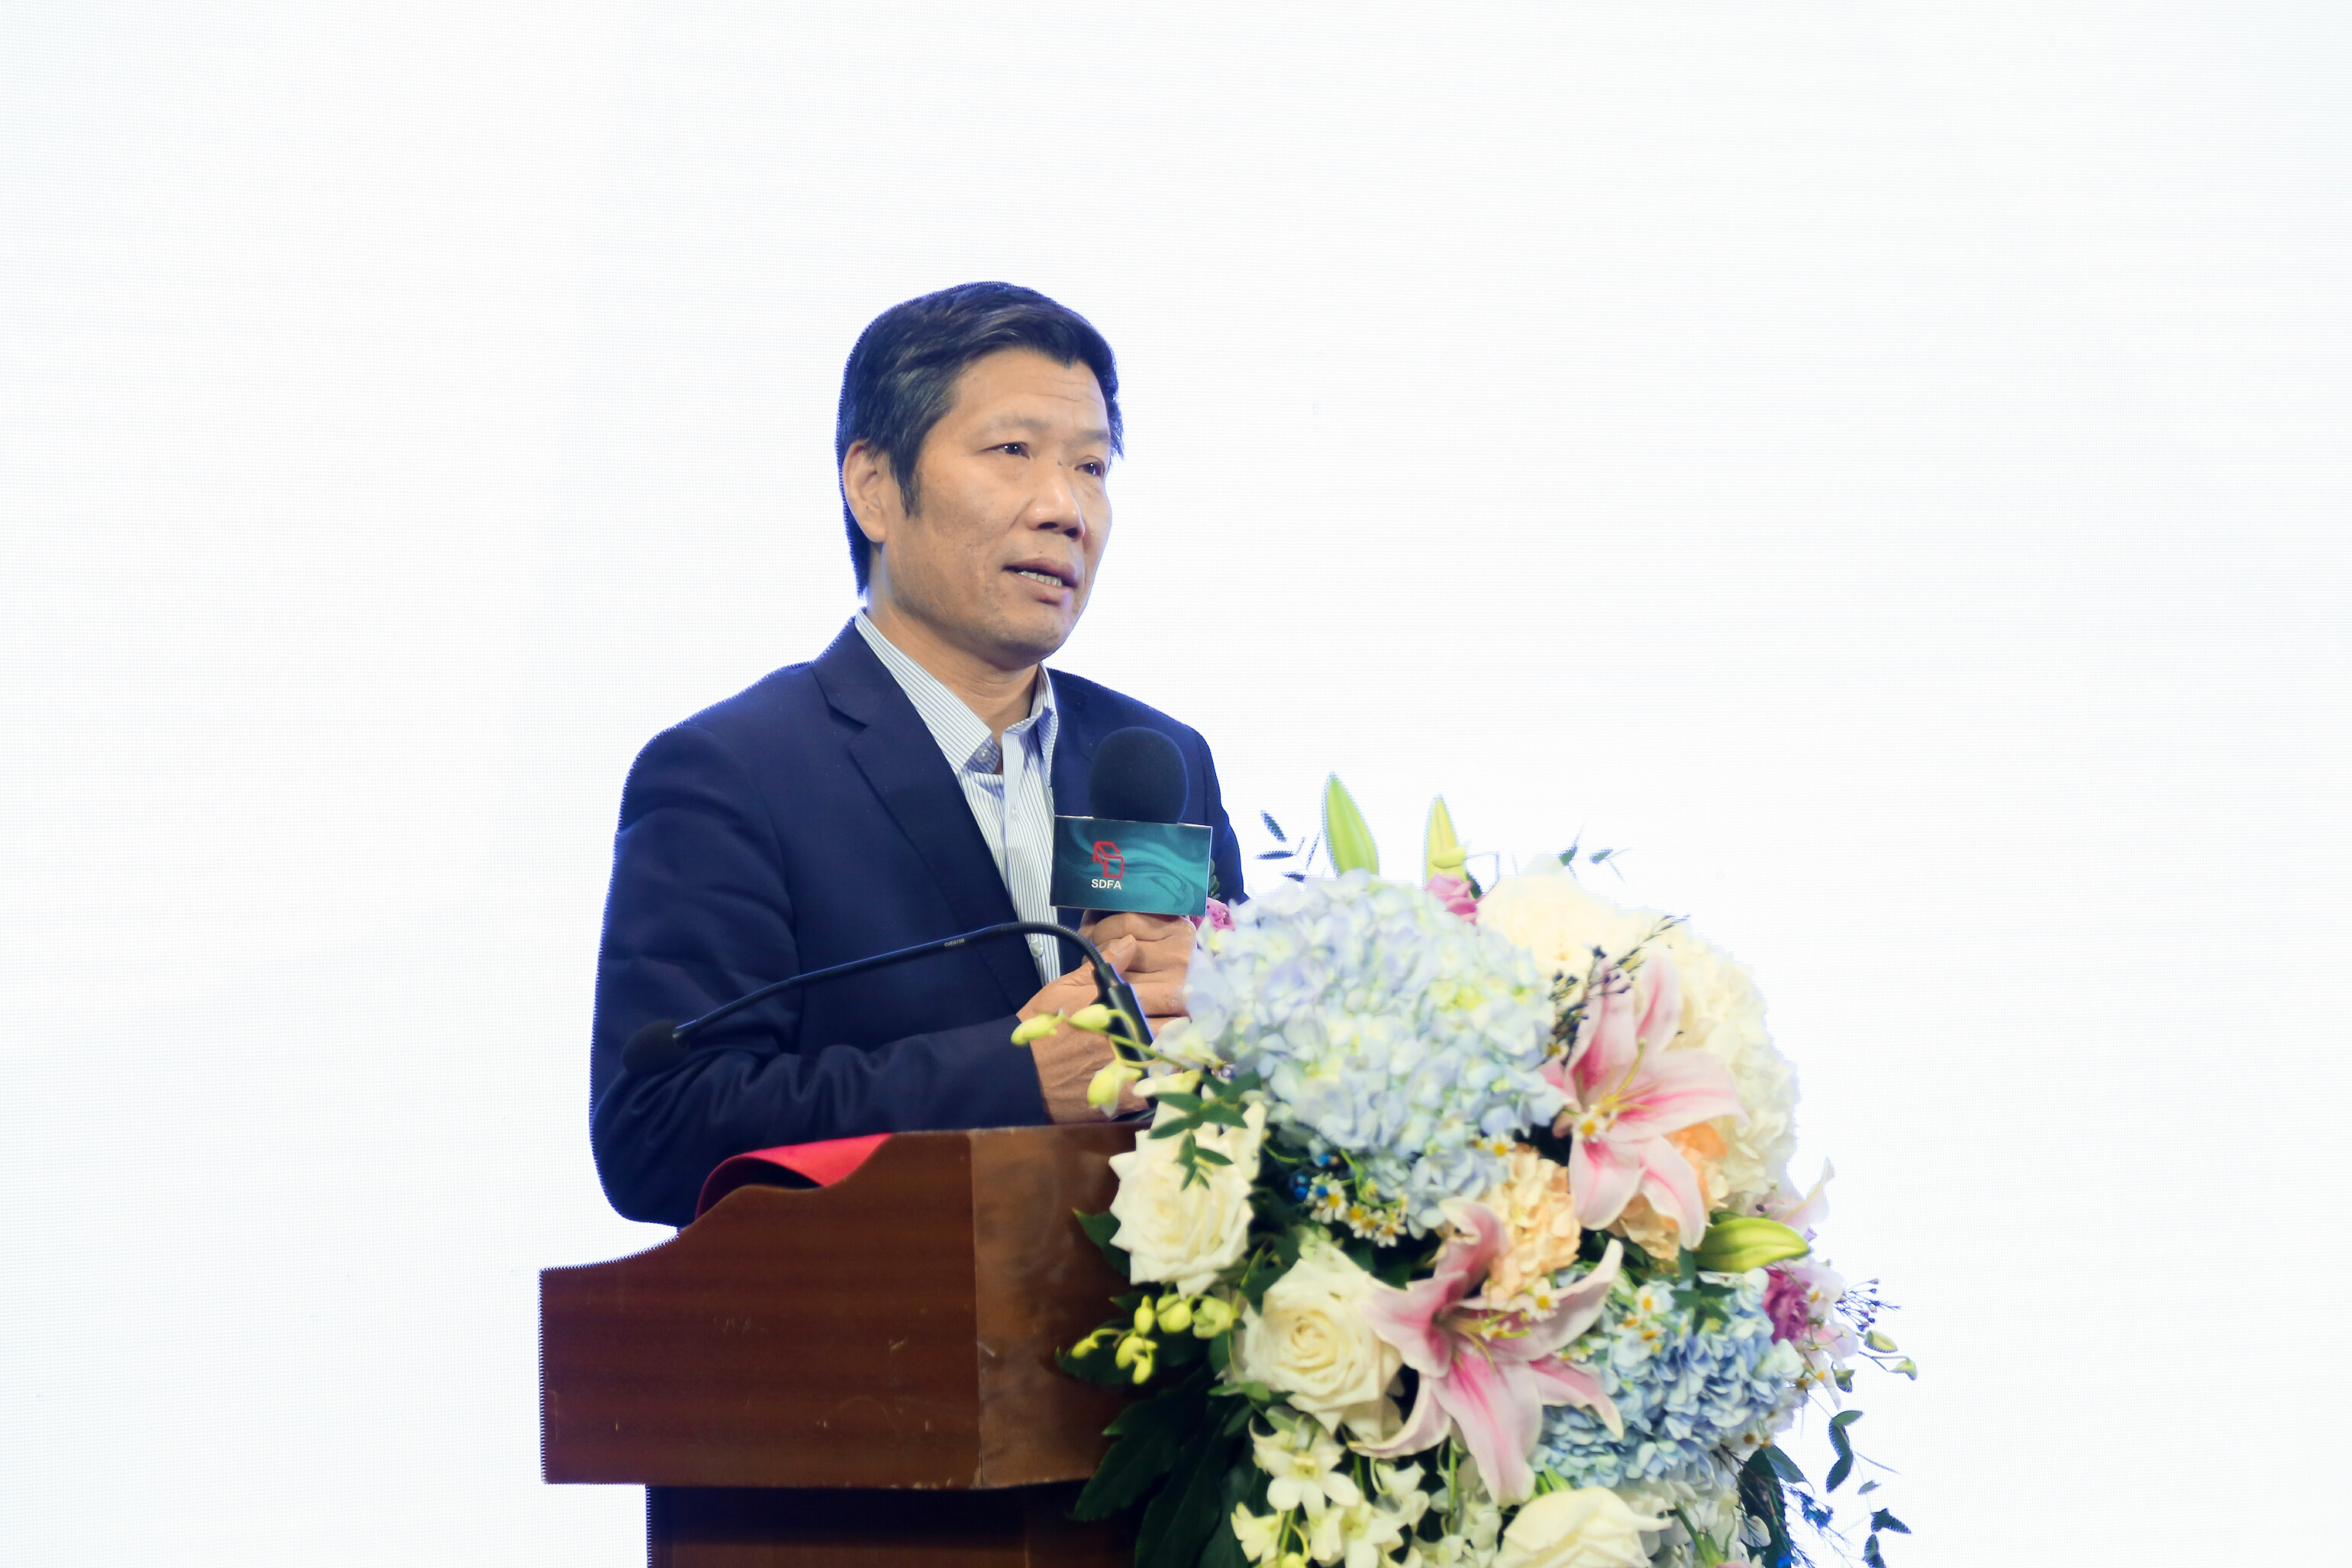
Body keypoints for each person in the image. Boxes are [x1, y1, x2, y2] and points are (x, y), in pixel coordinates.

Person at [589, 282, 1245, 1227]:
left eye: (1091, 465)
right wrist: (1013, 1076)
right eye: (1013, 452)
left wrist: (1227, 1013)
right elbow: (658, 1126)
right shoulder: (733, 775)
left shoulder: (1152, 761)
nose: (1065, 507)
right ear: (873, 487)